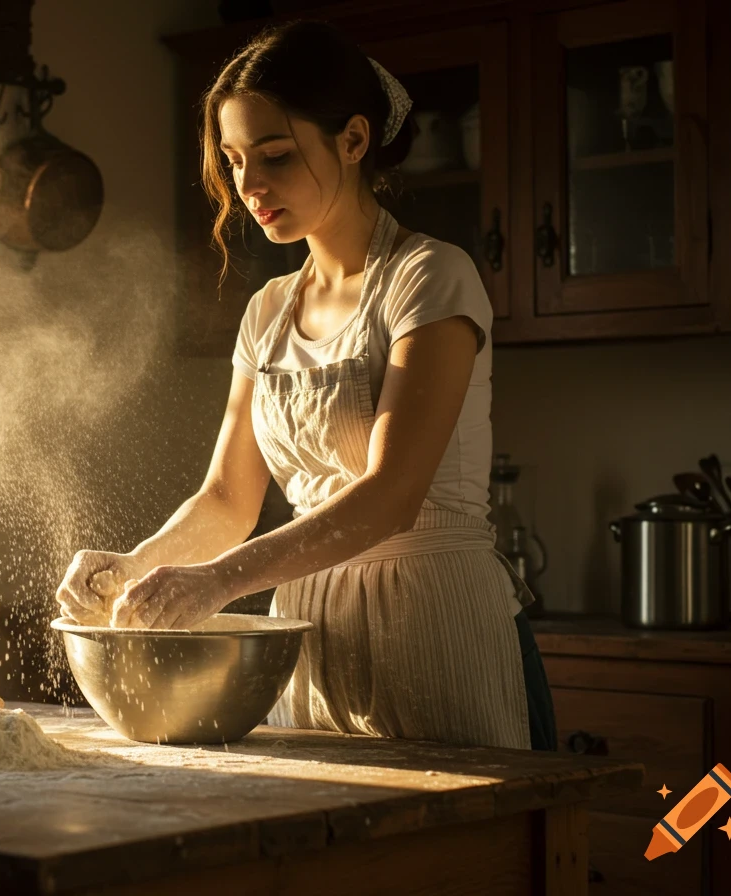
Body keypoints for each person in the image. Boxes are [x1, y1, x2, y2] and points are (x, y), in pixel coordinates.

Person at [55, 21, 556, 751]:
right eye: (233, 162)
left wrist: (217, 582)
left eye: (277, 156)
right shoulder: (268, 311)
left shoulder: (430, 278)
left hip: (435, 619)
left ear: (353, 141)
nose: (249, 186)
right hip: (311, 633)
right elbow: (228, 498)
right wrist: (138, 565)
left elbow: (391, 494)